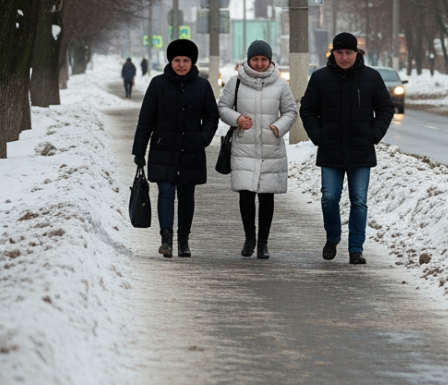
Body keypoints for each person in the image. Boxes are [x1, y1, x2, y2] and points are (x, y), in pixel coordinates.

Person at [299, 32, 393, 265]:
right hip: (330, 148)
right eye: (339, 53)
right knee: (329, 198)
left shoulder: (371, 77)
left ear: (356, 53)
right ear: (333, 54)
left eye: (348, 52)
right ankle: (332, 238)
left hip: (361, 150)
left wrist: (373, 134)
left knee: (358, 200)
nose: (344, 57)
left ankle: (355, 249)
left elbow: (385, 109)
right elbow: (307, 109)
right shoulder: (320, 78)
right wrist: (319, 135)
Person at [131, 39, 218, 258]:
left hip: (191, 150)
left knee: (187, 196)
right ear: (170, 61)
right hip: (164, 149)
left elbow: (211, 118)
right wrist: (139, 151)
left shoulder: (202, 86)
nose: (181, 64)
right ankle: (166, 238)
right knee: (166, 192)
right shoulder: (158, 84)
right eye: (177, 60)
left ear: (192, 62)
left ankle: (184, 240)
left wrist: (202, 139)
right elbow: (146, 119)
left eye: (186, 60)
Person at [217, 40, 297, 259]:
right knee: (246, 193)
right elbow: (222, 108)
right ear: (248, 60)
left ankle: (263, 243)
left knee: (267, 196)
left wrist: (279, 127)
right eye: (255, 59)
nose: (259, 63)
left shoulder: (281, 85)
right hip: (244, 146)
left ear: (270, 60)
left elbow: (291, 111)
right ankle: (249, 237)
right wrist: (237, 119)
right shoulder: (236, 82)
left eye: (263, 59)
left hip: (271, 146)